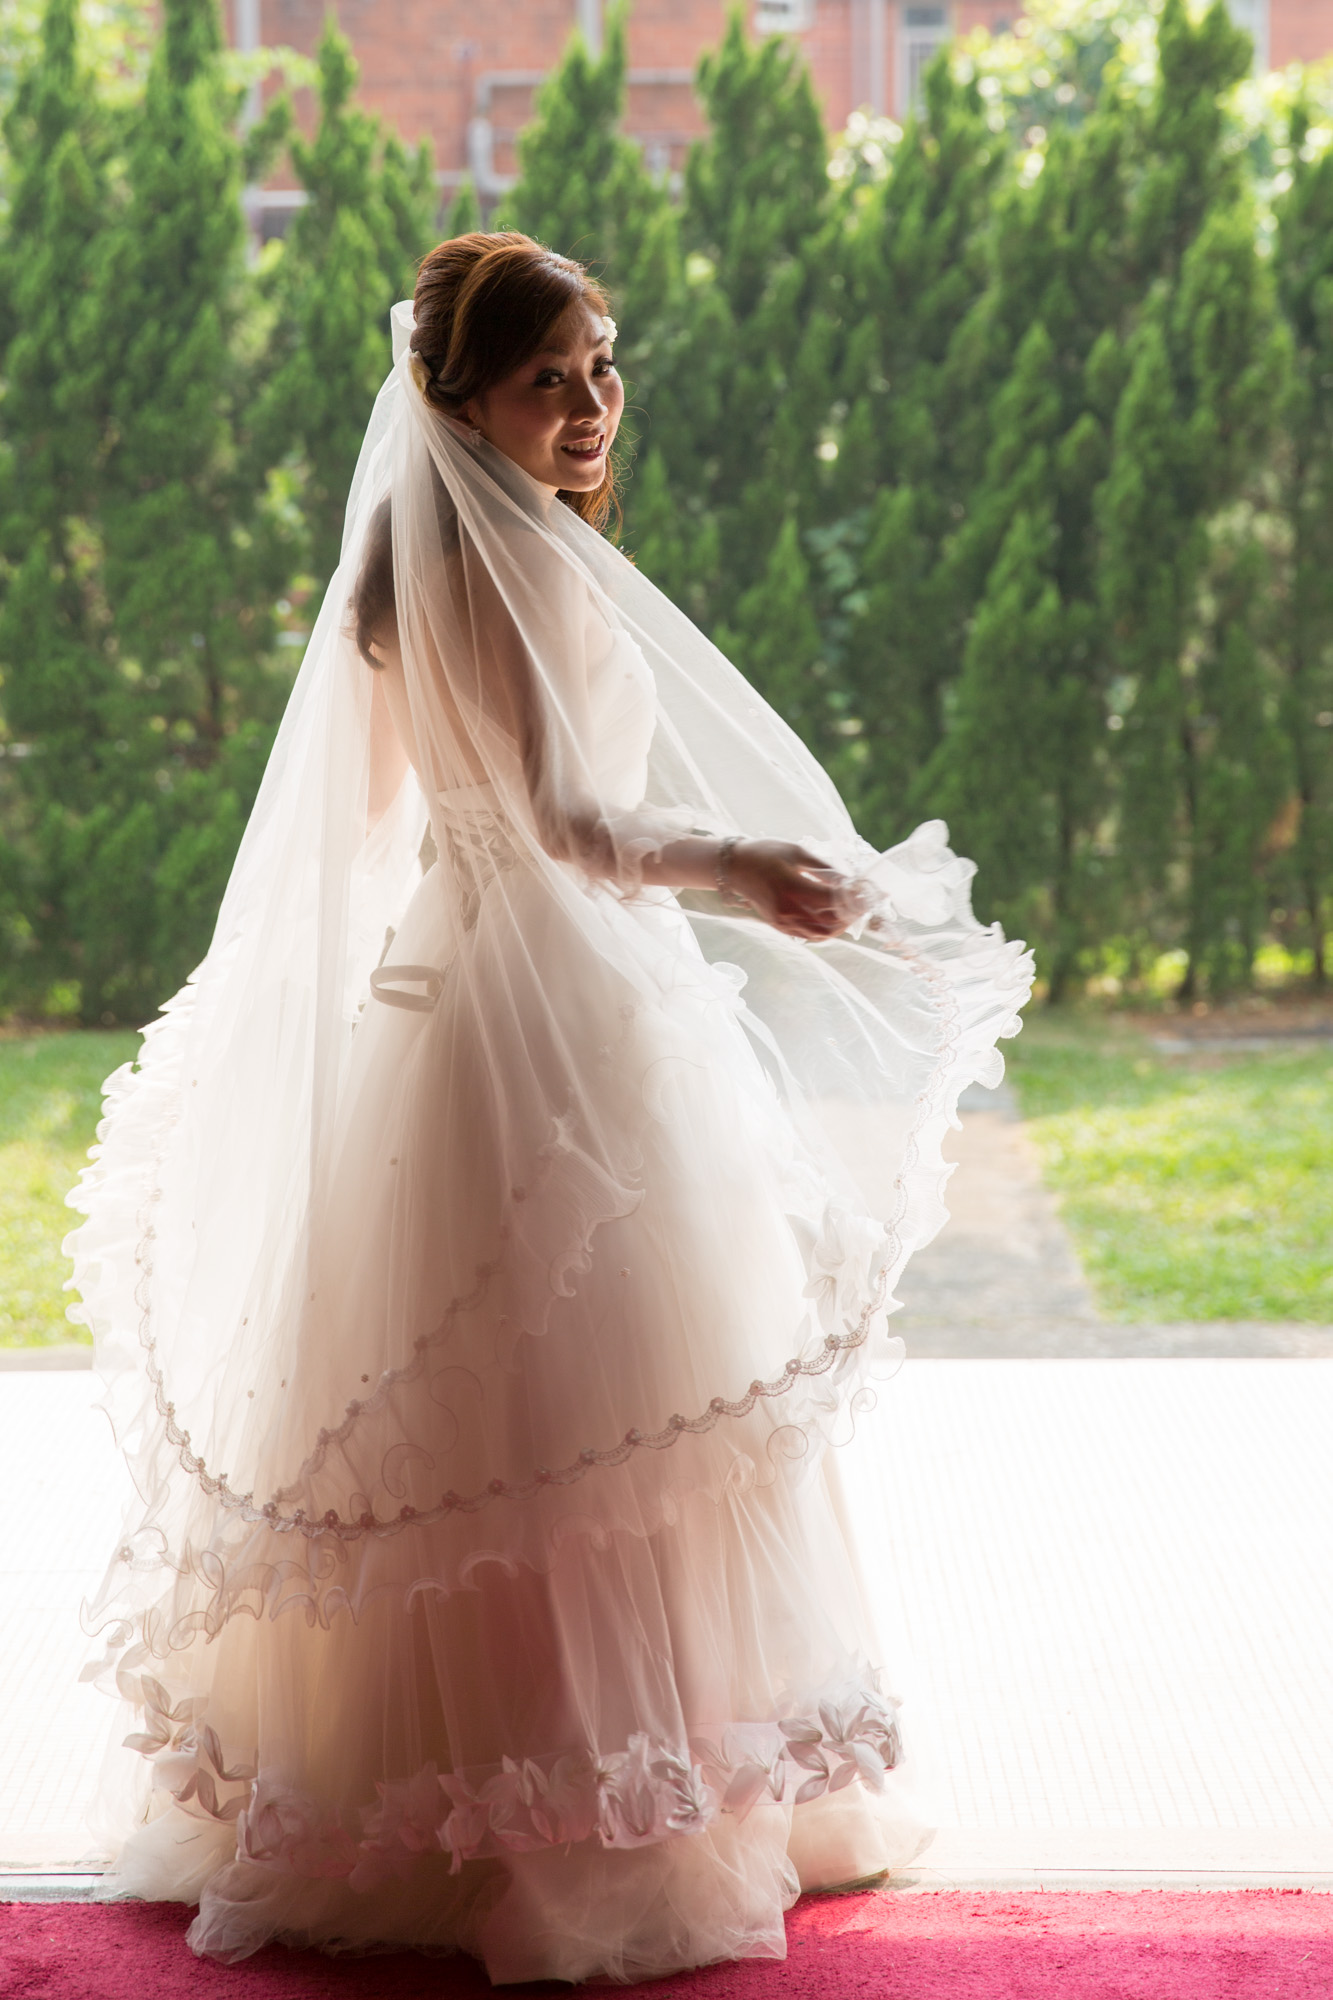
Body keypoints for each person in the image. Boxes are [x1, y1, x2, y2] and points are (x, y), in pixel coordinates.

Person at [67, 232, 1032, 1986]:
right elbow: (573, 826)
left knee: (536, 1416)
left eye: (602, 371)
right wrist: (739, 865)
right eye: (547, 382)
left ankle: (477, 1794)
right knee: (597, 1412)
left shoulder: (413, 561)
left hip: (484, 992)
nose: (590, 409)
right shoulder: (502, 565)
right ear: (460, 402)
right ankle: (588, 1830)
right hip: (554, 1017)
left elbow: (411, 815)